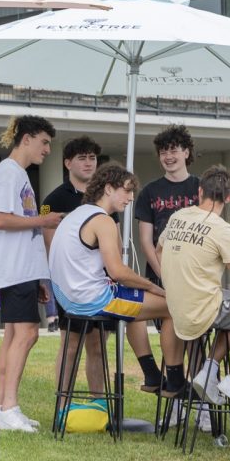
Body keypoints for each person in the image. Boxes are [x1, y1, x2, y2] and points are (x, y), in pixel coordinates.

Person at [42, 136, 162, 395]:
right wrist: (156, 287)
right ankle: (169, 378)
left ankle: (85, 402)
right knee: (173, 306)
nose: (131, 198)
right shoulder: (98, 218)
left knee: (135, 307)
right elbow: (118, 271)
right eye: (127, 191)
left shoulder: (78, 214)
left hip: (70, 295)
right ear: (108, 189)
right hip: (90, 298)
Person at [0, 115, 62, 432]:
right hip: (11, 270)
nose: (48, 150)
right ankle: (8, 406)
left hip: (17, 270)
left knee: (14, 335)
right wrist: (44, 221)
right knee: (27, 334)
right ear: (26, 139)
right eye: (44, 142)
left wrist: (36, 274)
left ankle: (3, 407)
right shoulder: (10, 174)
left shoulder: (15, 174)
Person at [160, 165, 230, 412]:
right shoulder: (223, 230)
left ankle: (209, 372)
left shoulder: (178, 217)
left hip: (176, 308)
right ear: (229, 197)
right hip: (205, 309)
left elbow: (158, 251)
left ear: (199, 191)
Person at [136, 124, 199, 288]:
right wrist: (163, 274)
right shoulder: (148, 192)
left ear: (186, 152)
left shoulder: (202, 188)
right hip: (160, 273)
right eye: (163, 152)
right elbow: (145, 241)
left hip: (196, 272)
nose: (168, 156)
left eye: (173, 151)